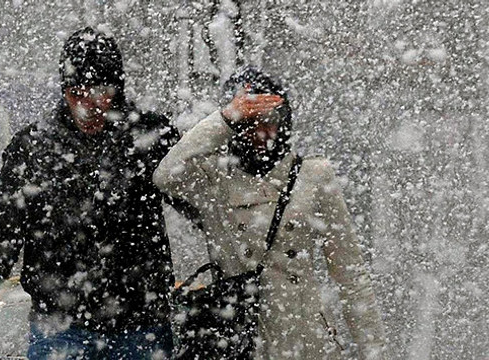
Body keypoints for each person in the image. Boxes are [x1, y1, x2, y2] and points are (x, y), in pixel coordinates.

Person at [0, 27, 181, 359]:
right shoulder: (34, 147)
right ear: (63, 90)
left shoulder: (150, 137)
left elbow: (202, 201)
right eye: (76, 93)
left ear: (117, 88)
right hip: (60, 328)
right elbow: (0, 232)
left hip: (140, 326)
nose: (88, 106)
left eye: (99, 91)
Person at [153, 66, 387, 359]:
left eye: (271, 120)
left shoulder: (313, 176)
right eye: (249, 122)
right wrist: (223, 119)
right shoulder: (212, 177)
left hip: (304, 341)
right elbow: (164, 176)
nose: (262, 132)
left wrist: (374, 352)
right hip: (239, 338)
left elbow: (351, 277)